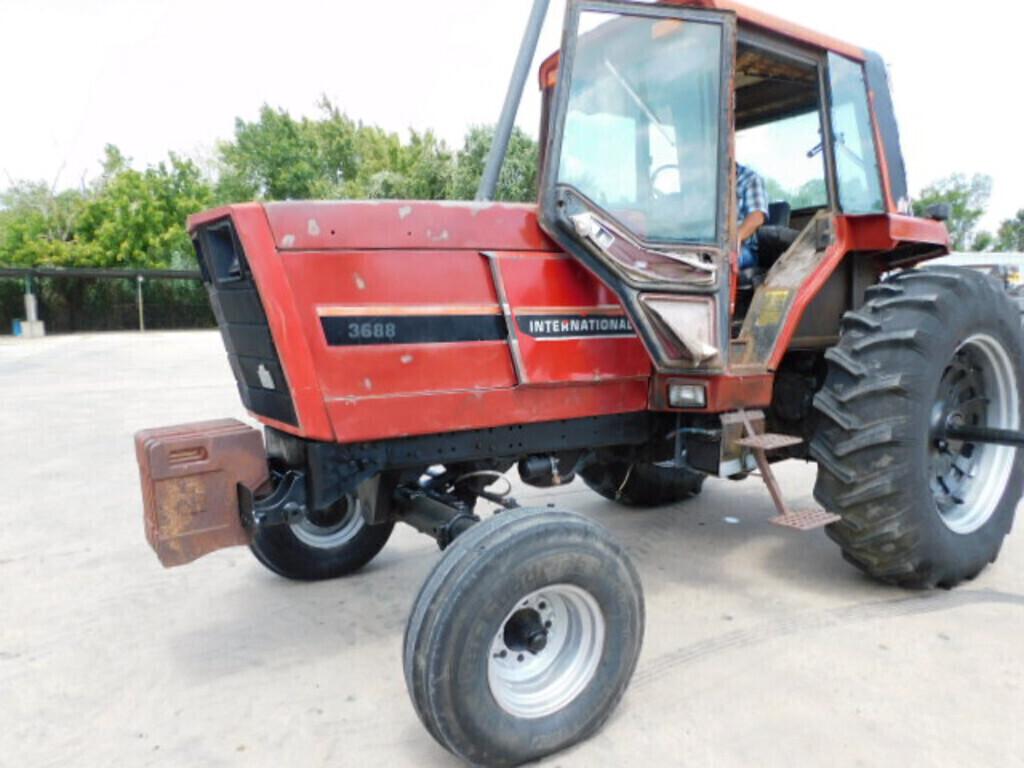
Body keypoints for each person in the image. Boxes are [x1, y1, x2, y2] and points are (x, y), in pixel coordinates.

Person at [737, 163, 769, 270]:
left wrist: (732, 241)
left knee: (715, 265)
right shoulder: (708, 181)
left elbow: (756, 217)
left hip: (745, 249)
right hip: (707, 248)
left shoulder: (750, 179)